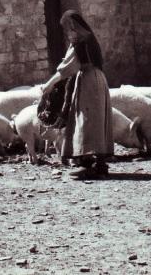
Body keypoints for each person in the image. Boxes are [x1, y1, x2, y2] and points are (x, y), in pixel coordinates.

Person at [40, 10, 113, 178]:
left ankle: (87, 164)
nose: (67, 33)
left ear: (74, 28)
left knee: (84, 119)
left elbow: (66, 68)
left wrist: (49, 85)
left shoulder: (80, 43)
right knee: (96, 120)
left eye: (68, 29)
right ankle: (100, 163)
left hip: (89, 82)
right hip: (98, 80)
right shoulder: (89, 39)